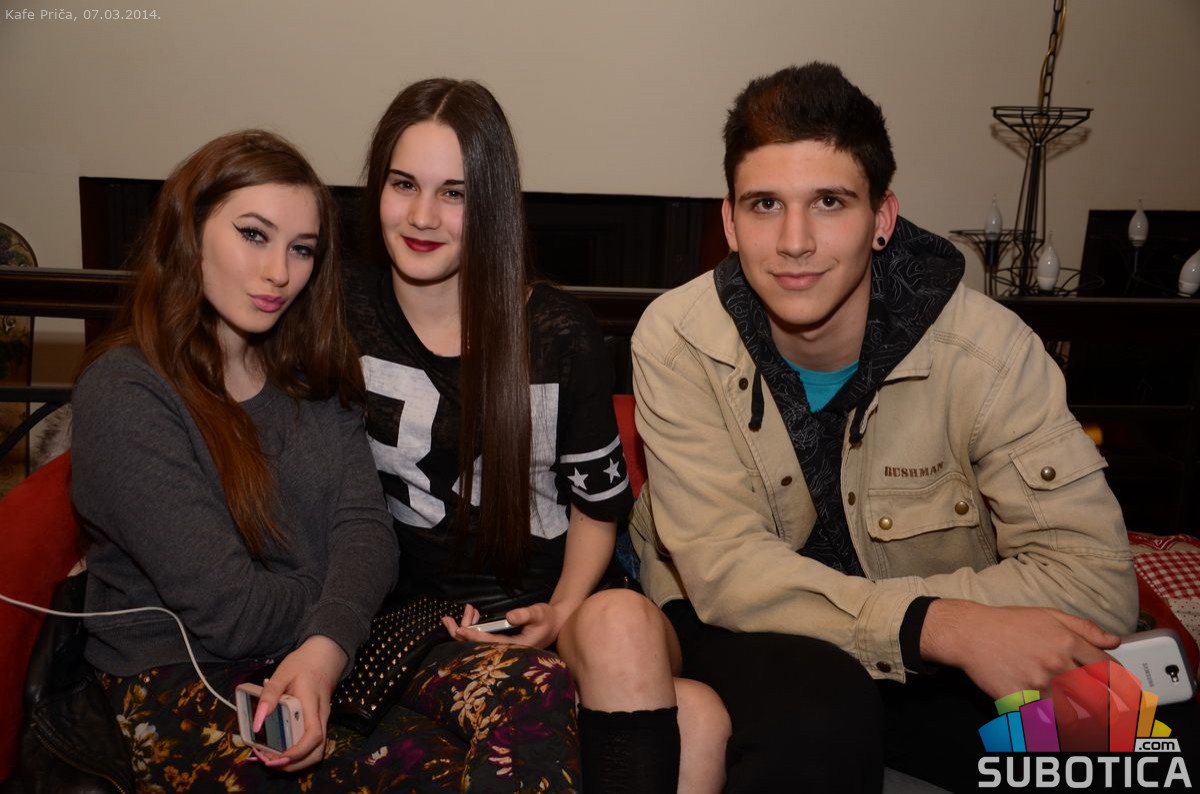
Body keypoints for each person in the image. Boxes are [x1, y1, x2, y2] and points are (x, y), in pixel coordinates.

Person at [628, 63, 1140, 792]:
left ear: (882, 219)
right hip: (746, 628)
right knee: (821, 716)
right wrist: (942, 625)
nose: (795, 240)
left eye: (829, 202)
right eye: (766, 204)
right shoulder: (677, 337)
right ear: (731, 223)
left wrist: (948, 630)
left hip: (928, 649)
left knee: (1133, 743)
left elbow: (1095, 583)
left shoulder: (987, 352)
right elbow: (724, 572)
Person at [70, 129, 579, 791]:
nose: (279, 272)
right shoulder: (126, 393)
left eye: (301, 248)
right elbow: (232, 611)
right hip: (186, 677)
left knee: (537, 683)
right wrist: (342, 605)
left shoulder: (305, 374)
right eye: (254, 235)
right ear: (189, 233)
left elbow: (367, 533)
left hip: (332, 650)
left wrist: (327, 643)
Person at [346, 78, 730, 793]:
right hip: (421, 623)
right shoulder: (341, 313)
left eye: (455, 193)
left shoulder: (558, 332)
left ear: (493, 204)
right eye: (404, 184)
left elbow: (598, 510)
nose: (423, 216)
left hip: (569, 607)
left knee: (623, 624)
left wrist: (562, 611)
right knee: (699, 719)